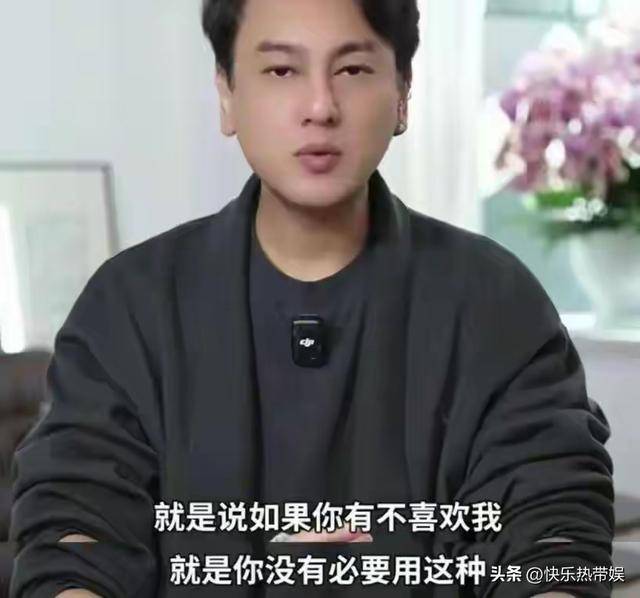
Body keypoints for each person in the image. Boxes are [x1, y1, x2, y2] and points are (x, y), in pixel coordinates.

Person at [9, 1, 614, 597]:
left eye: (352, 69)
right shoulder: (130, 305)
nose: (320, 107)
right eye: (281, 70)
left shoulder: (496, 302)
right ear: (227, 94)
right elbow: (76, 526)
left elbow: (554, 526)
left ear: (403, 92)